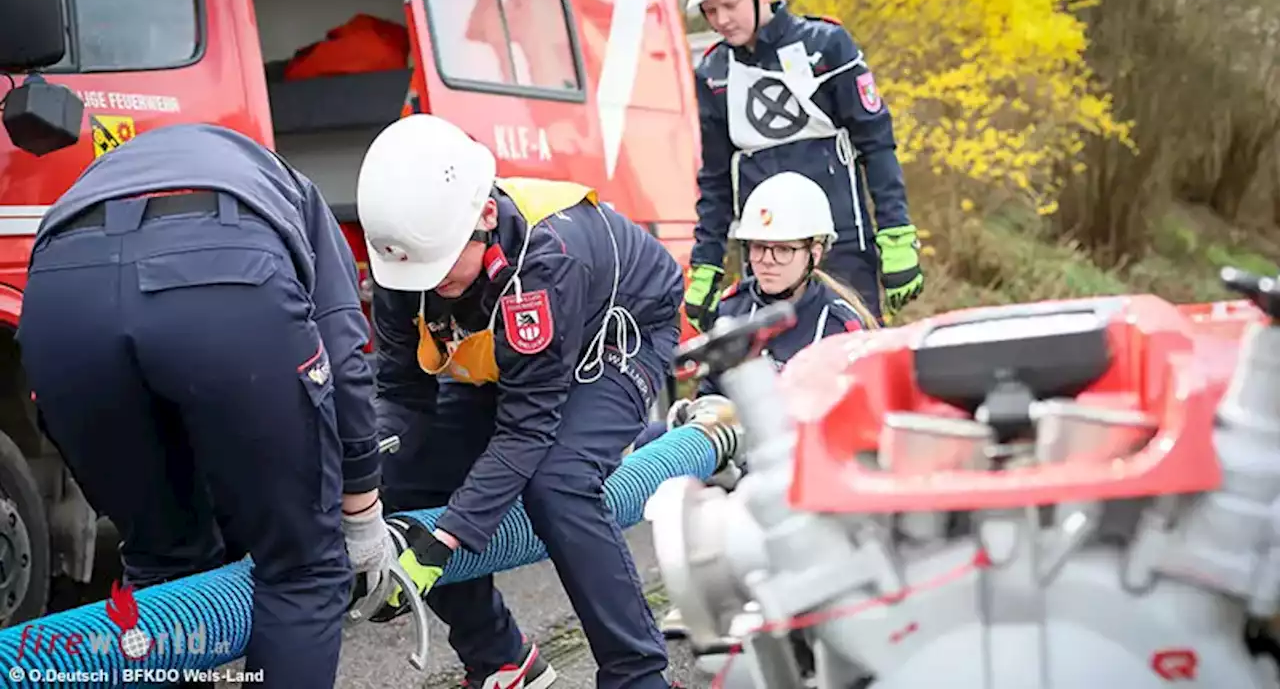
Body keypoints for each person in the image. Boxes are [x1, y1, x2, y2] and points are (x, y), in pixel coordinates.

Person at [16, 124, 396, 689]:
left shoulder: (109, 176)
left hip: (59, 294)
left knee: (163, 566)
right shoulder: (298, 194)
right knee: (302, 568)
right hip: (223, 276)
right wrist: (362, 511)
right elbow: (341, 357)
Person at [356, 114, 684, 689]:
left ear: (485, 216)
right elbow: (403, 393)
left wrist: (446, 540)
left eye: (441, 270)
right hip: (507, 349)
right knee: (407, 476)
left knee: (558, 481)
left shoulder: (543, 264)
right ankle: (501, 658)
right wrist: (366, 475)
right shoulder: (408, 262)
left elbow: (526, 431)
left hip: (617, 326)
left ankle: (639, 676)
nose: (430, 288)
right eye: (418, 275)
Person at [680, 0, 924, 329]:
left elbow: (877, 144)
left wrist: (896, 233)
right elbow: (715, 180)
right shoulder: (714, 72)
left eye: (730, 5)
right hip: (766, 253)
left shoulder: (826, 44)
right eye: (710, 11)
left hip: (841, 245)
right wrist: (707, 265)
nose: (722, 20)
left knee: (852, 362)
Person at [633, 170, 876, 453]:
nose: (767, 261)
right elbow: (711, 392)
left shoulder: (838, 326)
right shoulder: (732, 306)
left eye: (783, 249)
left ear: (815, 253)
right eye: (759, 247)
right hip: (732, 454)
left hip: (802, 459)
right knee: (647, 441)